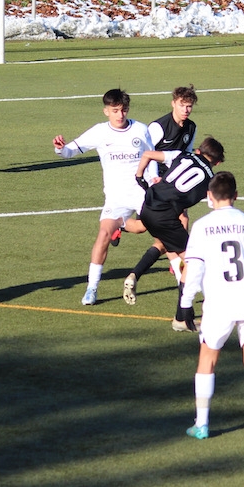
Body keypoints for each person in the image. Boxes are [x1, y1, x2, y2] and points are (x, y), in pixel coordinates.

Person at [178, 171, 244, 443]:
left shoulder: (201, 226)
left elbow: (195, 268)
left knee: (207, 361)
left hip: (219, 303)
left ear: (209, 196)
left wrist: (186, 303)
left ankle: (201, 424)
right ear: (236, 195)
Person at [52, 88, 154, 306]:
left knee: (145, 227)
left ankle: (123, 226)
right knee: (103, 235)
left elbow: (152, 157)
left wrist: (153, 179)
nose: (120, 115)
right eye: (115, 110)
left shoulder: (140, 130)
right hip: (115, 198)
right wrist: (60, 149)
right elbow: (71, 150)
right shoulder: (99, 132)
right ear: (106, 111)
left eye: (124, 110)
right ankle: (92, 288)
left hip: (141, 193)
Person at [124, 137, 224, 330]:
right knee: (194, 261)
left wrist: (139, 177)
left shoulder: (182, 155)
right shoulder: (210, 180)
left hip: (147, 208)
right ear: (217, 162)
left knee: (165, 245)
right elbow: (215, 204)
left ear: (198, 151)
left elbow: (146, 154)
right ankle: (182, 317)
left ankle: (134, 272)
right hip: (165, 217)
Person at [122, 85, 199, 299]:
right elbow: (145, 153)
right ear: (173, 103)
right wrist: (151, 179)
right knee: (177, 221)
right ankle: (180, 268)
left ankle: (119, 225)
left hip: (173, 182)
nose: (186, 110)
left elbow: (186, 154)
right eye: (182, 105)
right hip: (155, 182)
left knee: (152, 226)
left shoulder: (191, 128)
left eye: (189, 106)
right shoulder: (158, 127)